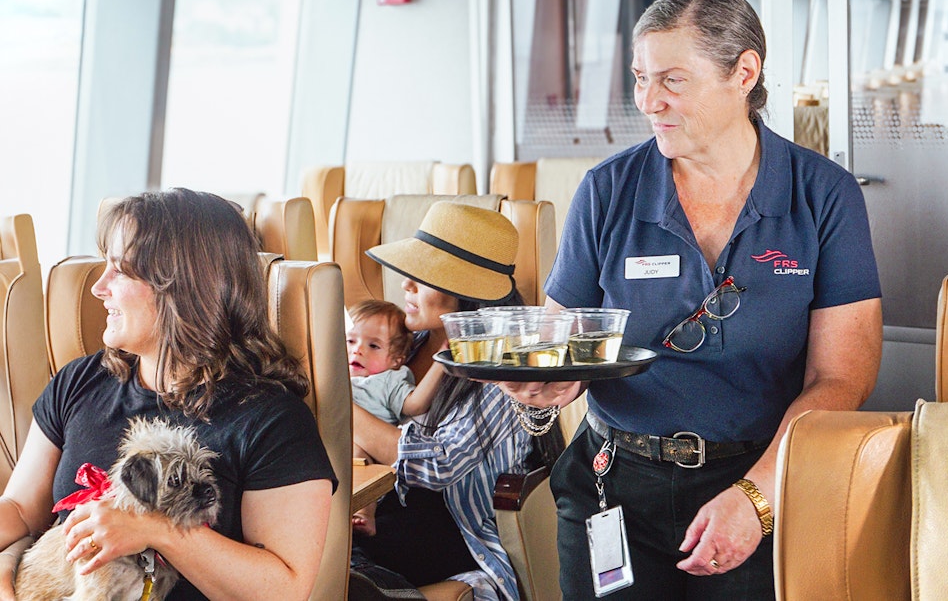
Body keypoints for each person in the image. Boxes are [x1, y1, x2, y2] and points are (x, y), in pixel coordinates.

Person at [498, 0, 883, 599]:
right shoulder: (607, 190)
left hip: (760, 478)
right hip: (613, 485)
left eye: (672, 79)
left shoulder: (823, 195)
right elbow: (564, 341)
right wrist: (547, 383)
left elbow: (843, 377)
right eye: (640, 77)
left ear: (744, 72)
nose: (648, 101)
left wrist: (757, 499)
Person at [0, 189, 337, 601]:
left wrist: (153, 529)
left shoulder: (272, 420)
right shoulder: (79, 382)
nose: (98, 288)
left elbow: (284, 589)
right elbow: (19, 511)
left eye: (120, 270)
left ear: (183, 287)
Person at [349, 202, 561, 601]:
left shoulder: (504, 367)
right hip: (391, 509)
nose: (405, 285)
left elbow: (438, 463)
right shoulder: (403, 346)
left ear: (468, 294)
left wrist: (341, 408)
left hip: (459, 528)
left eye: (422, 276)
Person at [345, 299, 438, 536]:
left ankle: (364, 513)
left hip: (367, 451)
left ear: (396, 359)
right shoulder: (337, 372)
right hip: (330, 445)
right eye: (350, 341)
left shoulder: (388, 380)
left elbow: (415, 404)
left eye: (373, 346)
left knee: (358, 452)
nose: (358, 350)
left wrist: (440, 367)